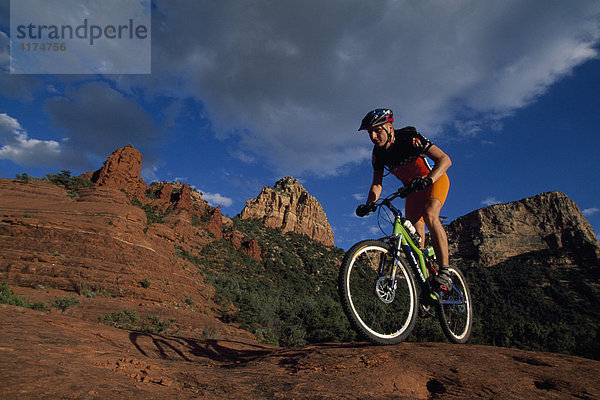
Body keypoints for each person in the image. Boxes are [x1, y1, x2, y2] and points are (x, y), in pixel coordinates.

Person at [356, 108, 453, 291]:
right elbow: (377, 184)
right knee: (415, 242)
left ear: (390, 127)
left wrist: (428, 179)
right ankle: (425, 288)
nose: (373, 136)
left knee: (430, 214)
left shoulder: (410, 138)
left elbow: (445, 160)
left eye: (377, 130)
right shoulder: (378, 154)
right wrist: (369, 205)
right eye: (370, 133)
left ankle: (445, 272)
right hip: (412, 190)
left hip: (434, 180)